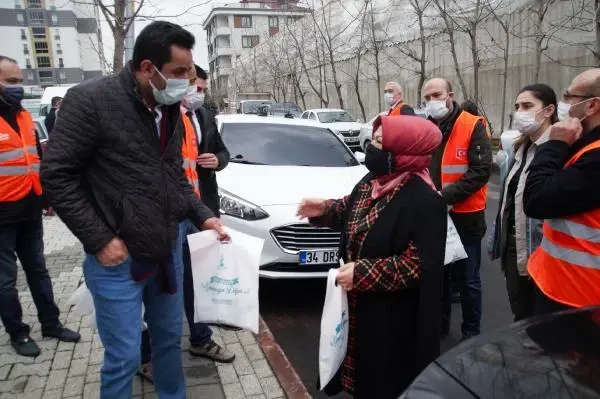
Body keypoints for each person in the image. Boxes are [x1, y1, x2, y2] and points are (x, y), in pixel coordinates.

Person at [40, 22, 228, 399]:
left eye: (188, 72)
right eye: (177, 73)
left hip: (167, 248)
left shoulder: (168, 108)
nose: (185, 83)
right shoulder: (90, 100)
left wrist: (204, 215)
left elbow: (173, 176)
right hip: (116, 257)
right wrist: (99, 240)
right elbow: (57, 176)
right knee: (124, 356)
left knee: (169, 343)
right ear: (147, 68)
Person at [297, 115, 447, 398]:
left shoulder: (426, 201)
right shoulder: (374, 180)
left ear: (404, 152)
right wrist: (325, 209)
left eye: (380, 142)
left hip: (392, 319)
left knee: (383, 382)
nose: (371, 148)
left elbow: (419, 266)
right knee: (360, 376)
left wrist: (362, 273)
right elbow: (354, 207)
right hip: (359, 308)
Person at [138, 63, 233, 383]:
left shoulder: (204, 117)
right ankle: (147, 357)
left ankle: (200, 339)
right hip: (166, 218)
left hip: (199, 212)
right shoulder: (158, 117)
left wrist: (217, 160)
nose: (198, 94)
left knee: (198, 282)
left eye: (203, 89)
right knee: (159, 287)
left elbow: (222, 150)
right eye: (194, 86)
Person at [0, 56, 80, 357]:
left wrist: (46, 199)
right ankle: (18, 333)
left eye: (19, 81)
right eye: (10, 81)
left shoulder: (23, 117)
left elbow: (35, 160)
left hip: (30, 209)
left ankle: (51, 323)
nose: (17, 87)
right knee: (6, 281)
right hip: (2, 215)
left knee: (39, 270)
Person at [524, 69, 600, 315]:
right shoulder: (585, 144)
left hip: (579, 302)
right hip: (563, 287)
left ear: (591, 106)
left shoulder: (595, 156)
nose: (562, 104)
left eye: (568, 96)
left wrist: (554, 144)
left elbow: (537, 199)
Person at [422, 78, 493, 340]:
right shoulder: (427, 128)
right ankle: (439, 328)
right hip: (436, 215)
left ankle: (471, 333)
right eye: (427, 97)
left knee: (468, 280)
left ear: (450, 94)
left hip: (466, 216)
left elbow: (480, 171)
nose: (432, 101)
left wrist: (445, 196)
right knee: (439, 278)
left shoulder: (472, 125)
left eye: (436, 95)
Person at [489, 84, 558, 321]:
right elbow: (508, 202)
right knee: (520, 314)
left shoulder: (557, 151)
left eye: (528, 106)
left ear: (549, 110)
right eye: (517, 106)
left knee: (538, 323)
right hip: (514, 247)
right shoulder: (520, 148)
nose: (520, 112)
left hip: (541, 252)